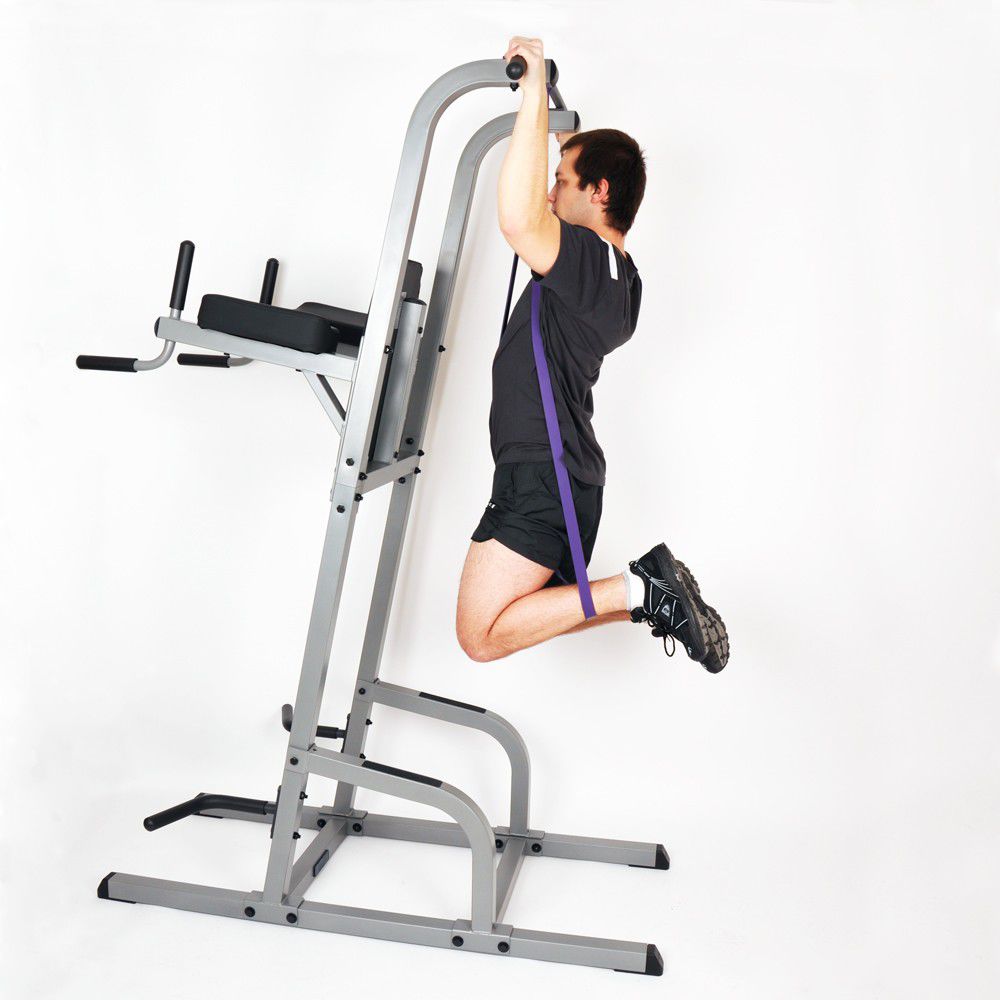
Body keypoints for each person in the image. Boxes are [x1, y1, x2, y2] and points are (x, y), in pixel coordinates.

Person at [455, 36, 729, 672]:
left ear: (599, 191)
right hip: (562, 479)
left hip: (543, 477)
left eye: (561, 181)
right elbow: (557, 208)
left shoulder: (587, 264)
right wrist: (559, 138)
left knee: (480, 635)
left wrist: (532, 92)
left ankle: (643, 589)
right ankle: (645, 596)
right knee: (524, 620)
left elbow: (519, 221)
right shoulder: (618, 277)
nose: (550, 194)